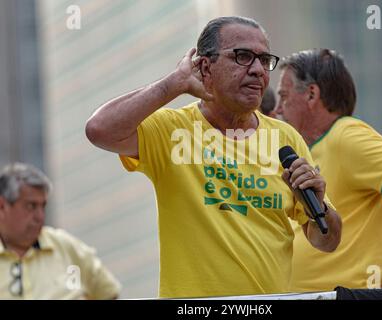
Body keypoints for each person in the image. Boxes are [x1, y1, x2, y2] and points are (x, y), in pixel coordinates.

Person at [85, 16, 341, 298]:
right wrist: (174, 84)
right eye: (243, 56)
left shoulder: (286, 138)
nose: (258, 70)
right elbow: (100, 130)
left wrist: (321, 205)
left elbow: (327, 241)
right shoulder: (172, 130)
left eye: (264, 59)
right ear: (205, 66)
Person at [276, 48, 382, 292]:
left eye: (284, 96)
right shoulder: (312, 148)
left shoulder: (347, 135)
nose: (279, 109)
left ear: (312, 94)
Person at [0, 163, 121, 299]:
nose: (40, 216)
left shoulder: (66, 247)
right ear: (2, 206)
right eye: (31, 206)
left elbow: (109, 293)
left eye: (43, 206)